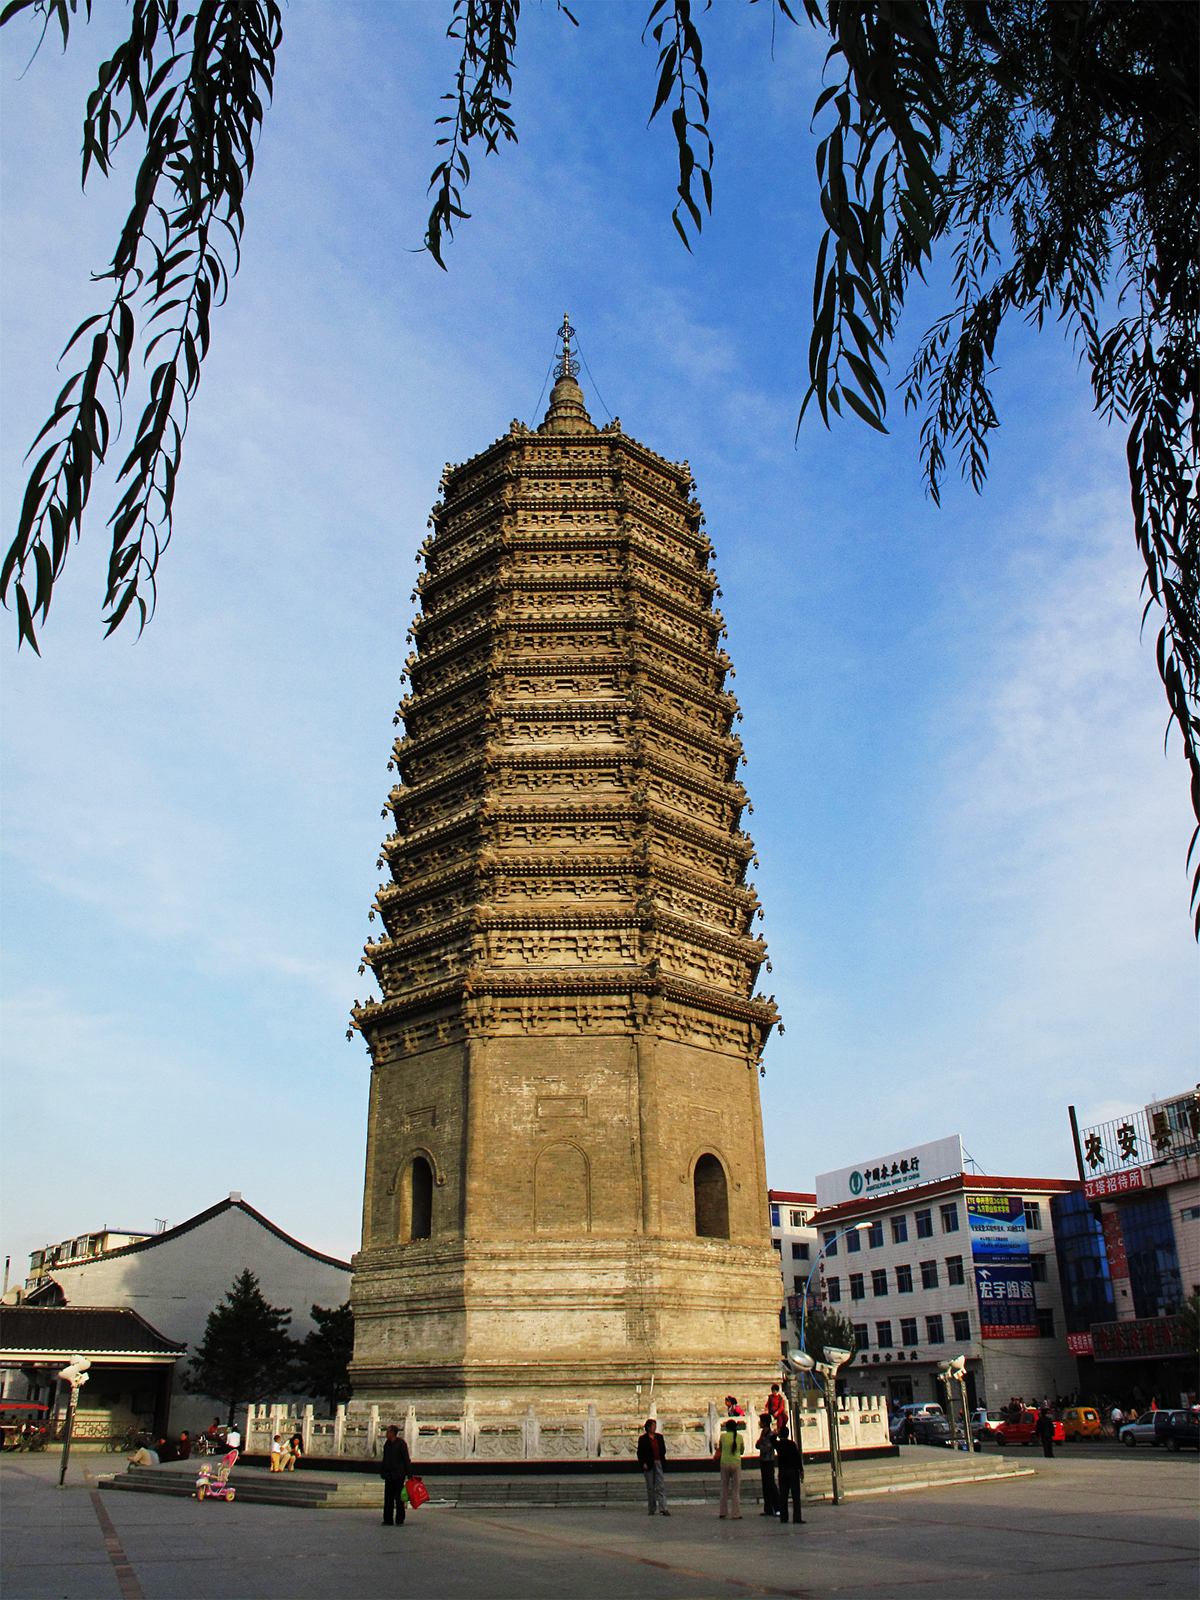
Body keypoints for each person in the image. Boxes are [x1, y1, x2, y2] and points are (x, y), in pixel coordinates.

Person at [637, 1418, 669, 1515]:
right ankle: (652, 1508)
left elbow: (663, 1450)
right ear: (648, 1427)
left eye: (655, 1426)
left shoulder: (659, 1437)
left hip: (658, 1462)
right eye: (653, 1426)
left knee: (660, 1486)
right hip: (649, 1464)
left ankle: (663, 1508)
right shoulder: (643, 1439)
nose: (654, 1428)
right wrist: (643, 1463)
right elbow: (640, 1453)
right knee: (650, 1487)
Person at [380, 1424, 411, 1525]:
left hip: (398, 1475)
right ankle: (388, 1519)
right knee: (388, 1498)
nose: (386, 1434)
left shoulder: (401, 1444)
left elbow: (406, 1459)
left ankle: (400, 1519)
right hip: (389, 1474)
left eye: (388, 1432)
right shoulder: (387, 1444)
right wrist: (383, 1472)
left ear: (392, 1433)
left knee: (398, 1498)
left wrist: (409, 1474)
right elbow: (385, 1459)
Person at [774, 1423, 804, 1524]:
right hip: (793, 1471)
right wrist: (801, 1470)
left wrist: (775, 1433)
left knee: (783, 1496)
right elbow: (797, 1457)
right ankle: (797, 1517)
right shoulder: (791, 1444)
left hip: (782, 1471)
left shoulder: (778, 1445)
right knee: (795, 1496)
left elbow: (771, 1439)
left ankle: (784, 1517)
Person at [717, 1418, 744, 1519]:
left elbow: (720, 1447)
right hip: (736, 1463)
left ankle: (723, 1512)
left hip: (724, 1462)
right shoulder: (740, 1437)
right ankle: (736, 1513)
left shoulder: (723, 1437)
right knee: (735, 1490)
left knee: (724, 1488)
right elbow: (741, 1450)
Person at [755, 1414, 778, 1516]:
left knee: (771, 1485)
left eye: (761, 1421)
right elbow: (757, 1445)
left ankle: (777, 1508)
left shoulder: (771, 1435)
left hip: (769, 1461)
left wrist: (761, 1446)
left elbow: (767, 1447)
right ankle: (768, 1509)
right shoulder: (763, 1433)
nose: (760, 1423)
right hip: (763, 1461)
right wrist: (760, 1446)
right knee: (765, 1485)